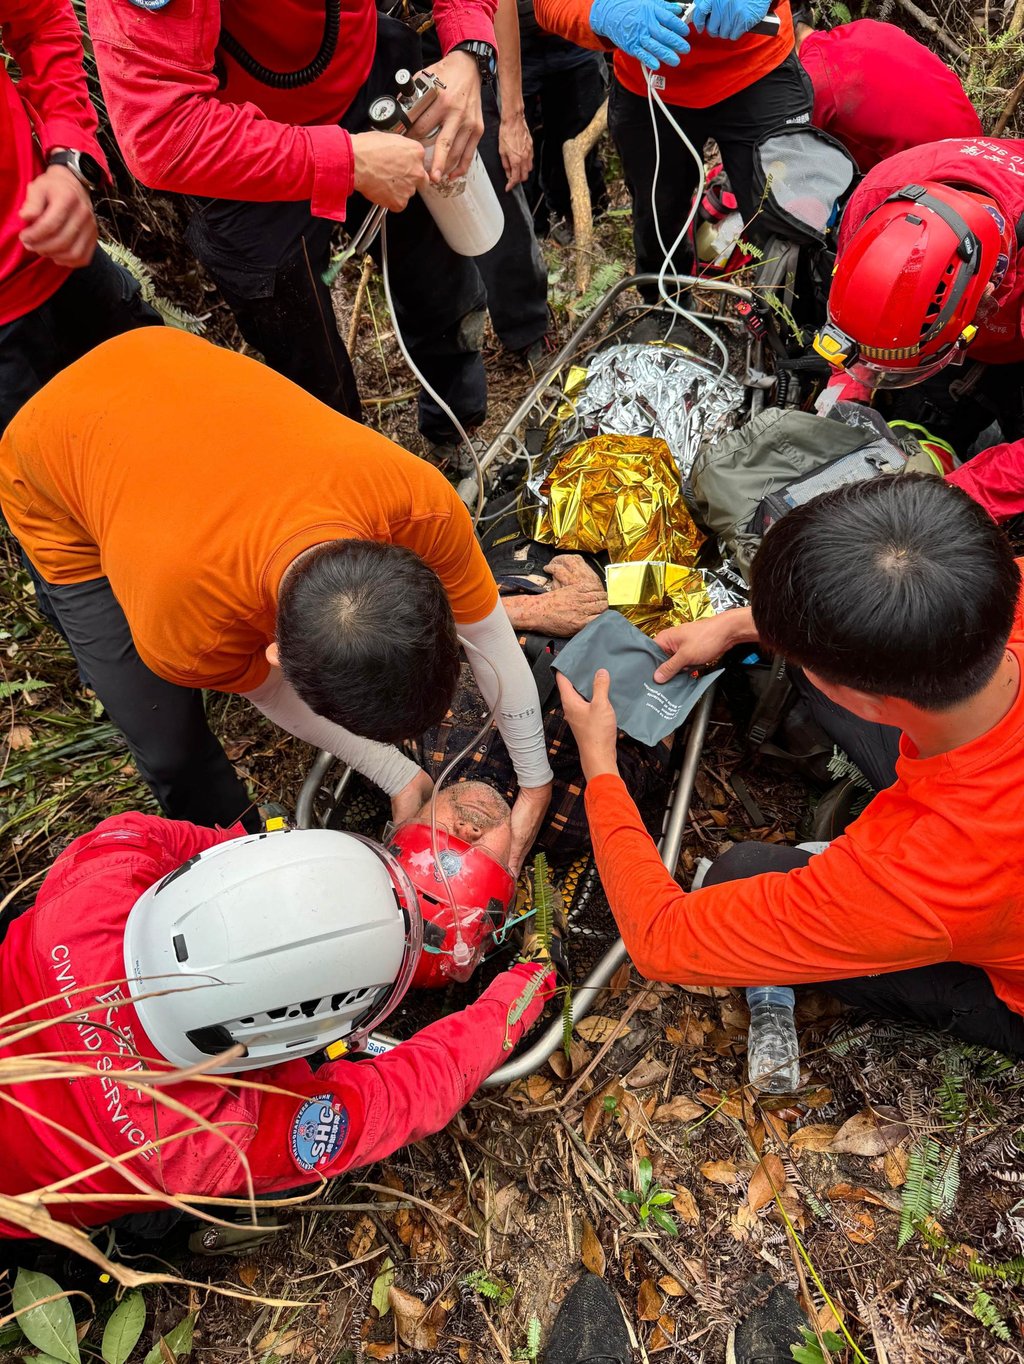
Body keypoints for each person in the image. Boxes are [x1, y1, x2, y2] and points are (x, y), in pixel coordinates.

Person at [0, 327, 552, 865]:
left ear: (419, 574)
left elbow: (488, 636)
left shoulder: (419, 502)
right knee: (163, 736)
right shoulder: (185, 633)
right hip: (50, 453)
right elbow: (271, 695)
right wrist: (394, 771)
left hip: (159, 354)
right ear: (275, 655)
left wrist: (535, 786)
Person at [557, 475, 1024, 1069]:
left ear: (863, 697)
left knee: (739, 874)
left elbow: (659, 938)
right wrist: (737, 625)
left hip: (1005, 963)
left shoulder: (925, 874)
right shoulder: (997, 594)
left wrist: (601, 768)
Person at [0, 811, 554, 1238]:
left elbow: (189, 849)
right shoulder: (212, 1143)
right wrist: (522, 992)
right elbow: (410, 1090)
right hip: (20, 1211)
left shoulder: (103, 869)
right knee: (155, 1229)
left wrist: (259, 852)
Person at [84, 0, 499, 457]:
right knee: (311, 373)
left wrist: (468, 47)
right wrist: (347, 161)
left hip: (365, 74)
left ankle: (457, 434)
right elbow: (162, 133)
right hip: (240, 155)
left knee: (439, 281)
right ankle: (358, 500)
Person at [534, 0, 812, 283]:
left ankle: (798, 314)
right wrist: (599, 13)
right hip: (650, 84)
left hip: (758, 68)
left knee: (790, 217)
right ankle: (664, 309)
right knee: (658, 217)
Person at [0, 0, 161, 436]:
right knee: (45, 499)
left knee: (165, 411)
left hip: (62, 251)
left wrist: (68, 158)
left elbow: (42, 20)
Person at [813, 137, 1024, 455]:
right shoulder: (878, 194)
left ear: (985, 299)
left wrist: (954, 489)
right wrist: (849, 382)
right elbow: (855, 308)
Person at [795, 13, 981, 172]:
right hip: (982, 155)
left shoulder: (810, 78)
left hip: (940, 183)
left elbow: (785, 156)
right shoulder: (868, 28)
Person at [517, 0, 608, 240]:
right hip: (512, 39)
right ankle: (531, 231)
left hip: (575, 30)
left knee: (579, 128)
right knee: (515, 149)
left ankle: (573, 218)